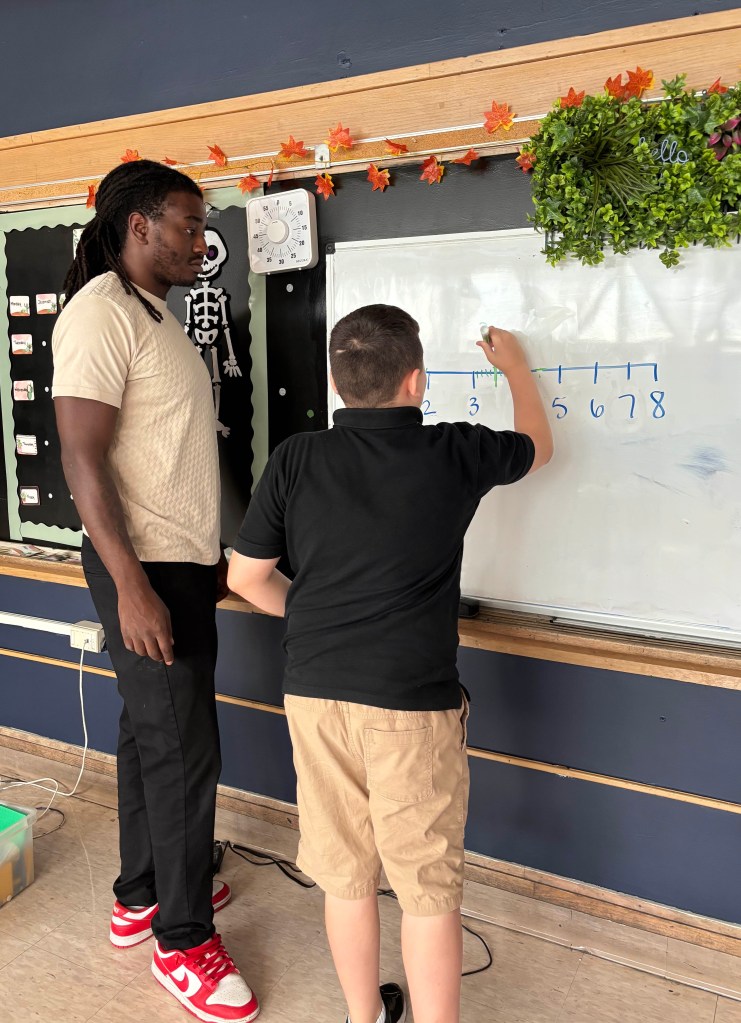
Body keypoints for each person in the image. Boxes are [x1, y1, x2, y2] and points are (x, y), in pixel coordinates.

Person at [227, 303, 553, 1023]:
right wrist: (516, 370)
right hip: (409, 702)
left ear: (338, 384)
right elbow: (538, 444)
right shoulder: (453, 450)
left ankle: (363, 1015)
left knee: (343, 874)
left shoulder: (295, 457)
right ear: (417, 380)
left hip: (314, 696)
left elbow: (248, 578)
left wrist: (312, 612)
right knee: (425, 886)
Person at [52, 160, 259, 1023]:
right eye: (185, 223)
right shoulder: (100, 312)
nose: (199, 239)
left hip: (178, 566)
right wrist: (134, 588)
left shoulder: (151, 315)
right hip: (143, 570)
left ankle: (142, 892)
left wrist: (203, 563)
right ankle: (182, 942)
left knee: (149, 736)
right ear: (138, 225)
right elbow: (81, 460)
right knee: (184, 751)